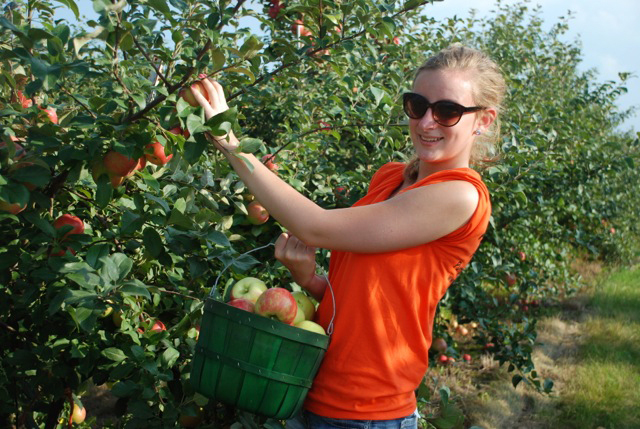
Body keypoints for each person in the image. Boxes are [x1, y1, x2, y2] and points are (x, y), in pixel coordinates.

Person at [192, 43, 506, 429]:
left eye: (447, 111)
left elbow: (315, 227)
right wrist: (308, 279)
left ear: (483, 120)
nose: (426, 123)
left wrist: (231, 144)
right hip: (312, 389)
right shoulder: (390, 178)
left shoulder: (459, 195)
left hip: (369, 410)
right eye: (417, 106)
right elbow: (365, 295)